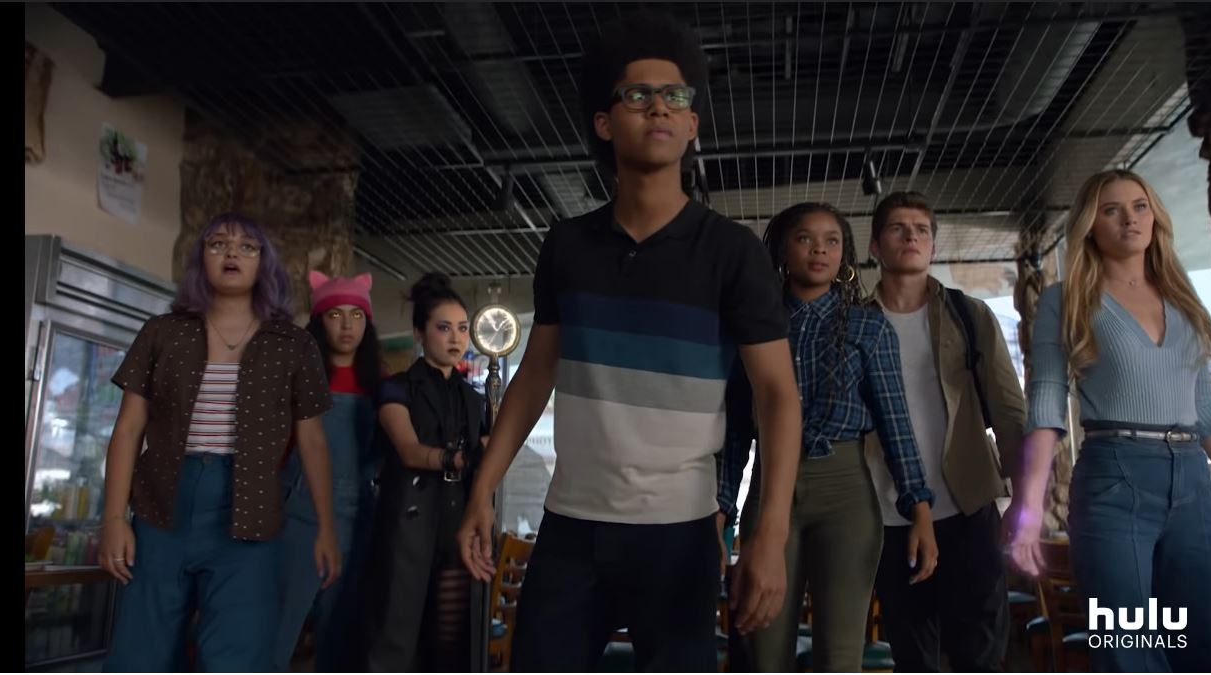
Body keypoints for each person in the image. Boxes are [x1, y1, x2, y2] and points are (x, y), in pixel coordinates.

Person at [456, 10, 802, 672]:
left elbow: (778, 396)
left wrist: (770, 533)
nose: (658, 107)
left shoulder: (731, 253)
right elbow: (535, 375)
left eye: (675, 95)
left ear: (693, 123)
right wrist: (483, 487)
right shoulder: (567, 245)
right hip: (571, 523)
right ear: (604, 122)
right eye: (637, 94)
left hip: (680, 530)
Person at [99, 213, 341, 672]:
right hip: (162, 504)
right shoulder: (162, 332)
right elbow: (128, 429)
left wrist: (326, 527)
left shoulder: (292, 345)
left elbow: (313, 441)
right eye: (218, 244)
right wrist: (112, 518)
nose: (232, 253)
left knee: (238, 655)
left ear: (264, 264)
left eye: (247, 247)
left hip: (251, 510)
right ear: (200, 260)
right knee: (141, 652)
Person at [1009, 169, 1211, 672]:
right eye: (1112, 210)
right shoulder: (1067, 298)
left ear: (1155, 217)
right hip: (1114, 480)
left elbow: (1208, 408)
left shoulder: (1183, 296)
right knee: (1128, 650)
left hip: (1193, 480)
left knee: (1204, 648)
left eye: (1140, 206)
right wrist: (1029, 510)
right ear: (1090, 226)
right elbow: (1046, 403)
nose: (1130, 219)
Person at [720, 202, 937, 672]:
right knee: (762, 650)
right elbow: (736, 427)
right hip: (769, 491)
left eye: (832, 241)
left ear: (845, 254)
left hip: (846, 497)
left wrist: (919, 509)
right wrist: (723, 513)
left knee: (839, 658)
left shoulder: (869, 327)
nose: (819, 249)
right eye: (805, 238)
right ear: (783, 250)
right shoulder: (755, 326)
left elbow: (896, 424)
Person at [863, 191, 1027, 672]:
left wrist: (1024, 495)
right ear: (875, 246)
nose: (911, 237)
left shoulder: (968, 314)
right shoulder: (856, 324)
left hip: (968, 506)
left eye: (921, 230)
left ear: (933, 246)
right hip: (889, 513)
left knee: (980, 652)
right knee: (913, 655)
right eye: (898, 228)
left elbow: (1008, 408)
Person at [360, 272, 490, 672]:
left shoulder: (474, 399)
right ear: (419, 333)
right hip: (407, 522)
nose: (456, 338)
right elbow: (409, 451)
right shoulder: (396, 388)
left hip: (457, 520)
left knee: (451, 643)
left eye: (463, 328)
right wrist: (458, 459)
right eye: (443, 328)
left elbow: (486, 460)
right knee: (396, 636)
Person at [273, 272, 384, 671]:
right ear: (319, 321)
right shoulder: (296, 374)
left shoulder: (382, 385)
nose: (347, 325)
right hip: (298, 514)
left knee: (342, 640)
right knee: (277, 630)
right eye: (335, 314)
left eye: (357, 315)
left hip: (358, 519)